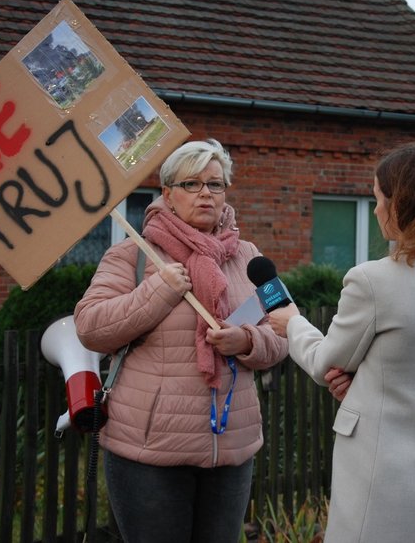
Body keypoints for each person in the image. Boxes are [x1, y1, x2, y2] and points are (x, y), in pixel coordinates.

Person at [268, 142, 415, 543]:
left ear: (401, 204)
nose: (375, 210)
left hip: (381, 478)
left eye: (378, 198)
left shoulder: (374, 280)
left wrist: (293, 323)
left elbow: (324, 363)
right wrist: (366, 387)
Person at [74, 139, 288, 543]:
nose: (205, 193)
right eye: (191, 183)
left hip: (231, 448)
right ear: (168, 194)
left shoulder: (248, 256)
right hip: (150, 453)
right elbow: (90, 326)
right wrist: (158, 291)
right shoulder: (133, 256)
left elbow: (282, 334)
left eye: (216, 183)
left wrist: (245, 341)